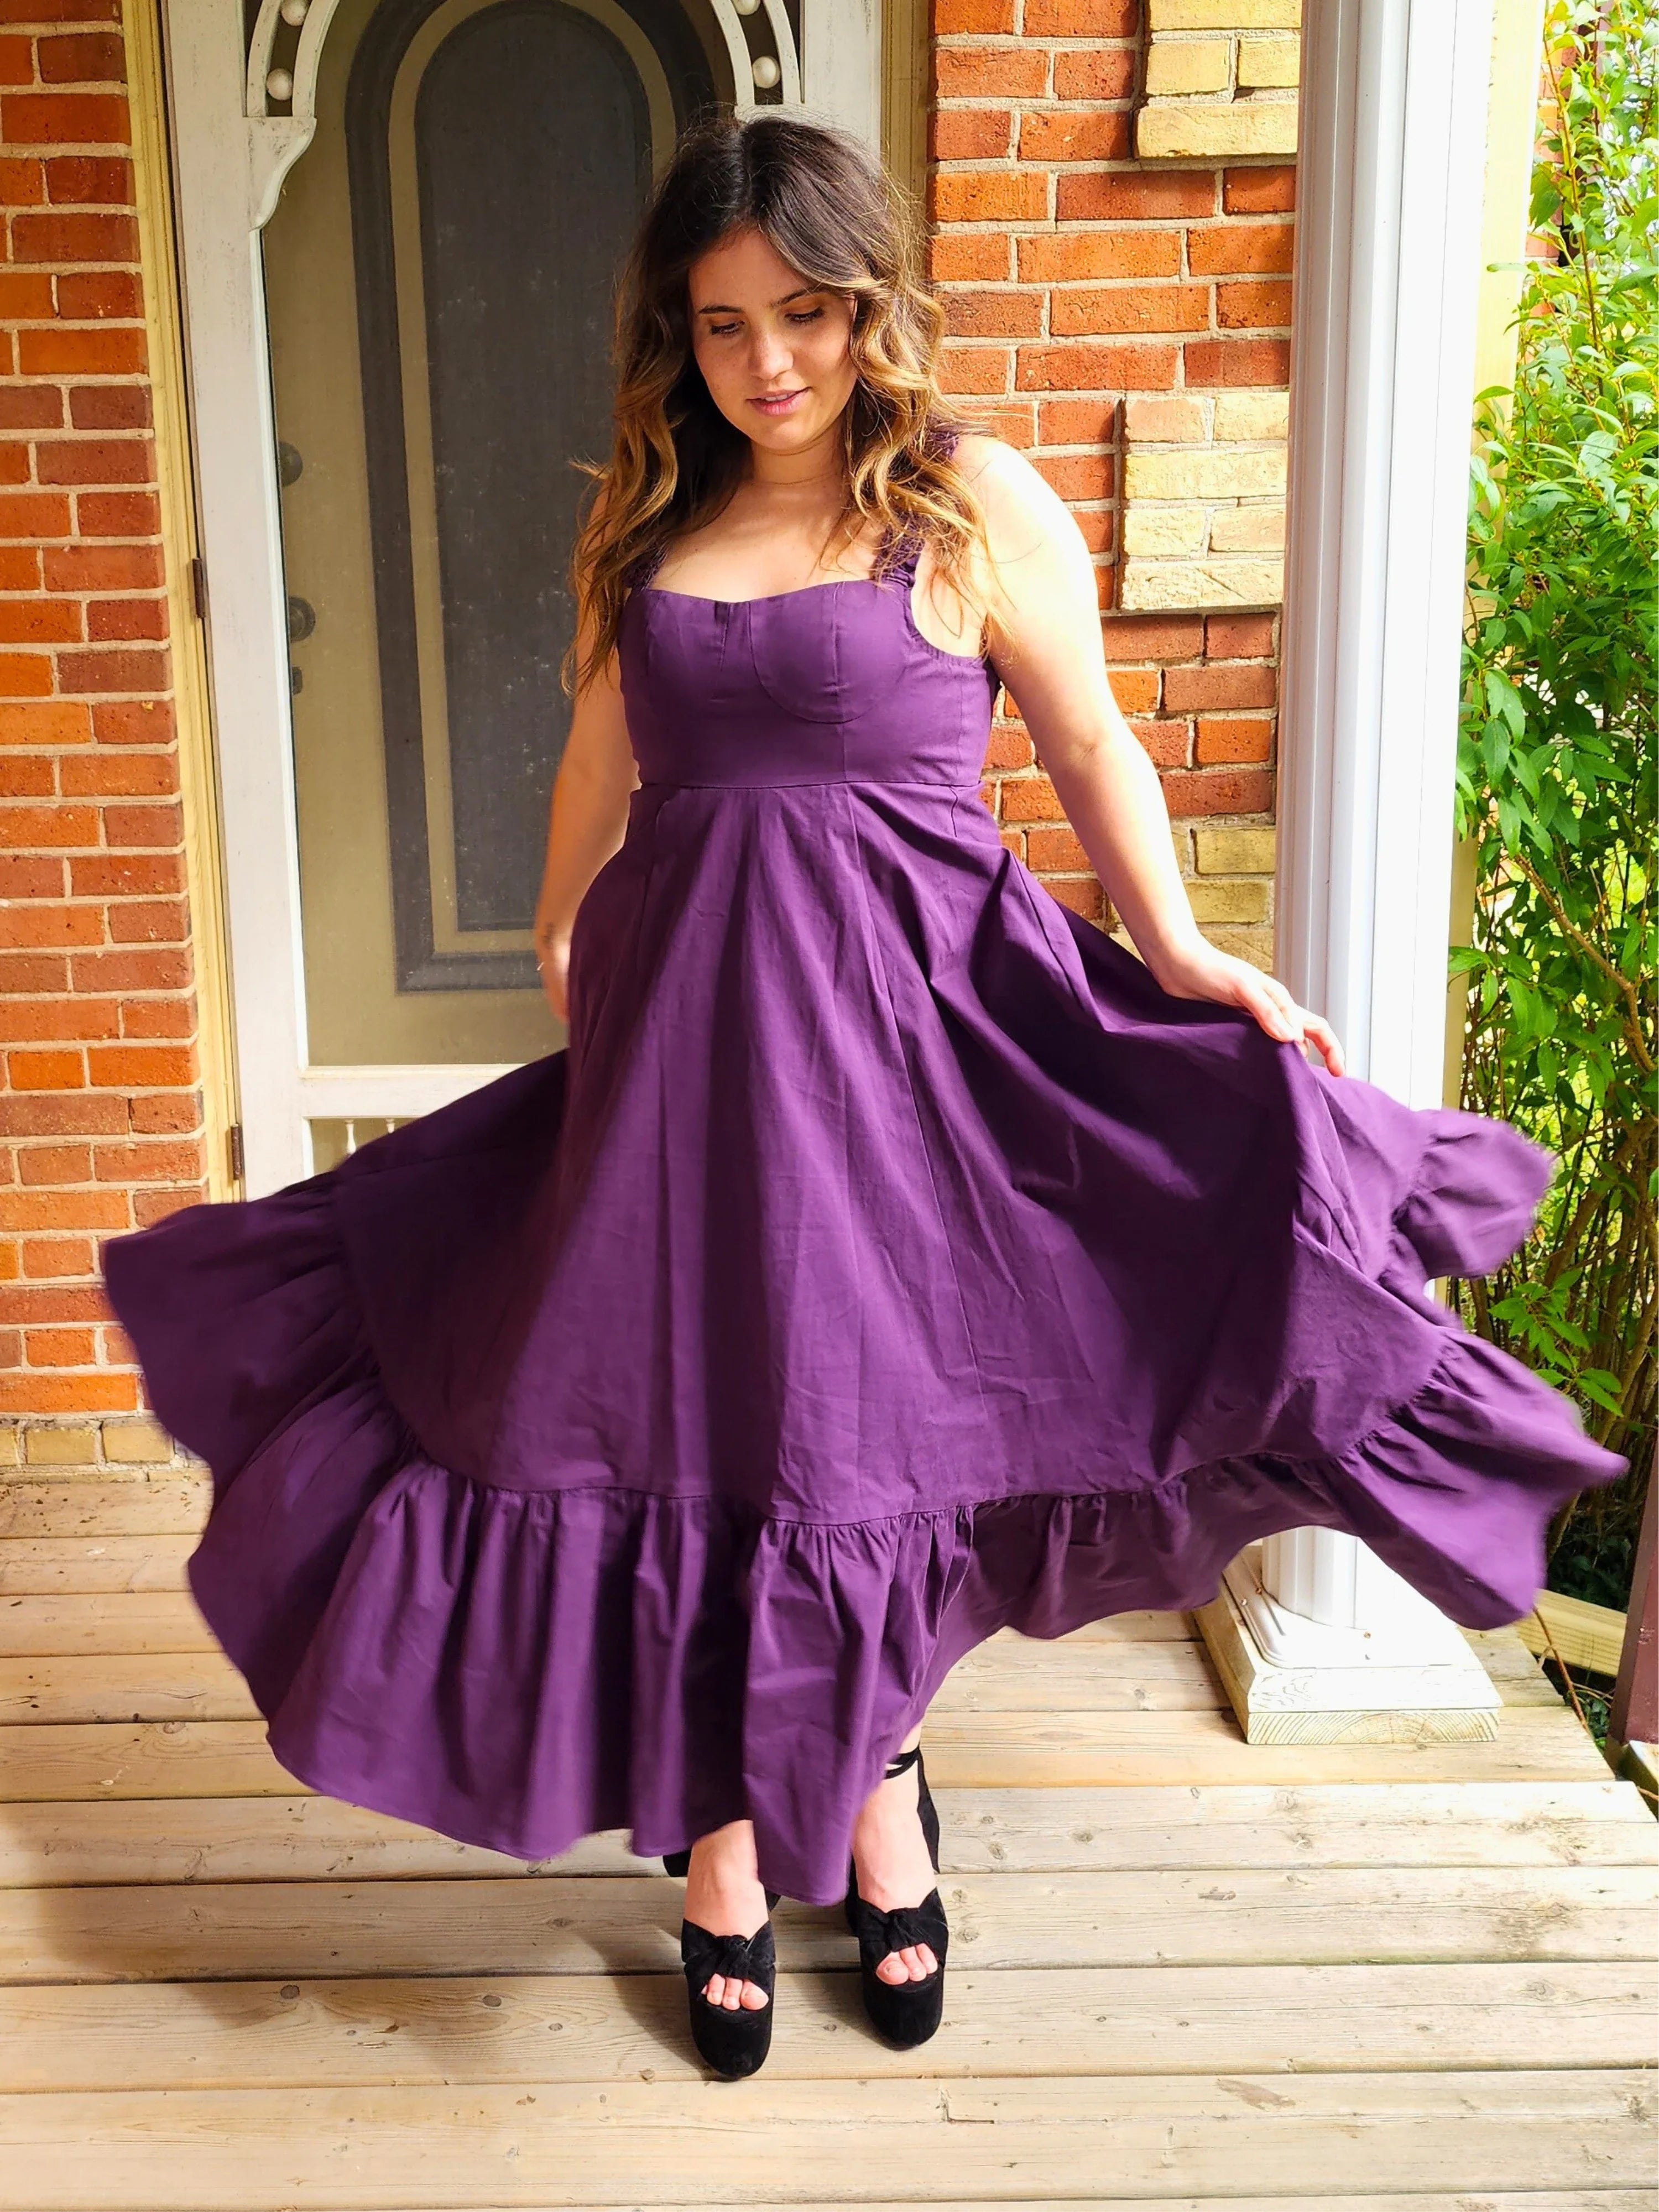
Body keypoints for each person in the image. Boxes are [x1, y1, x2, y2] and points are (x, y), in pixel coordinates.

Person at [100, 112, 1626, 2083]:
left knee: (864, 1443)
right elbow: (593, 763)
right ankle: (725, 1842)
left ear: (870, 303)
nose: (771, 364)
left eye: (805, 314)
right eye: (723, 326)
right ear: (682, 339)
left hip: (916, 1060)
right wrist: (568, 935)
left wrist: (1175, 950)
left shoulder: (965, 503)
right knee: (689, 1428)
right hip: (685, 1072)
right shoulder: (649, 529)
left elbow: (1086, 742)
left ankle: (877, 1794)